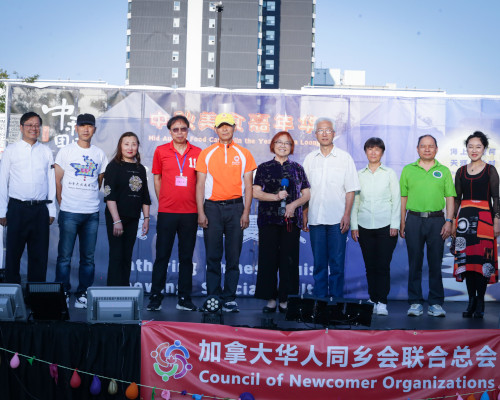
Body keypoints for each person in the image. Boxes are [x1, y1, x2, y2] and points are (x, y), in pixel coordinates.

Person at [195, 113, 257, 312]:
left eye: (228, 126)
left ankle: (229, 298)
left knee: (233, 257)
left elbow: (249, 186)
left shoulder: (244, 153)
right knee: (213, 256)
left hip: (236, 208)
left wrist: (246, 212)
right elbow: (200, 185)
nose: (224, 129)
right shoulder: (207, 153)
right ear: (215, 129)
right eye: (221, 126)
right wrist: (200, 212)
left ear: (234, 128)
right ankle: (213, 297)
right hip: (212, 208)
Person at [147, 116, 201, 312]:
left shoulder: (198, 152)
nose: (179, 132)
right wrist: (163, 201)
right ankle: (155, 297)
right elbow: (157, 179)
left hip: (190, 212)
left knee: (186, 258)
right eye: (175, 129)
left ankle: (184, 298)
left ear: (188, 130)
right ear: (169, 131)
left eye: (183, 129)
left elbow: (201, 182)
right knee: (162, 256)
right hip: (167, 212)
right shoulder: (161, 151)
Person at [54, 113, 108, 308]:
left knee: (88, 258)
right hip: (69, 211)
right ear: (76, 128)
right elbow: (57, 180)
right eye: (82, 125)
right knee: (64, 257)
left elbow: (99, 181)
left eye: (89, 126)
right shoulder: (66, 151)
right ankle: (63, 291)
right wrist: (63, 202)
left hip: (91, 213)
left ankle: (83, 293)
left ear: (94, 129)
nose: (86, 129)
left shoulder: (99, 154)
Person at [253, 131, 310, 313]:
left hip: (290, 221)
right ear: (273, 145)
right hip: (268, 219)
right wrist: (276, 197)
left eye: (287, 143)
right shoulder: (263, 167)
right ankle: (270, 299)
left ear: (291, 147)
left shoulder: (297, 168)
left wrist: (293, 205)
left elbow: (307, 194)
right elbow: (255, 192)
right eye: (279, 142)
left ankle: (285, 299)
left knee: (289, 260)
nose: (283, 146)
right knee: (268, 259)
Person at [303, 118, 360, 298]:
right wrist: (304, 213)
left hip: (337, 220)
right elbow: (305, 190)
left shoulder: (345, 158)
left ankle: (335, 302)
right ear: (315, 134)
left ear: (334, 133)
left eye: (328, 130)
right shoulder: (310, 159)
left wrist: (347, 215)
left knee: (336, 264)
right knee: (319, 264)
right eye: (321, 130)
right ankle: (319, 301)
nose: (325, 133)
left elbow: (350, 190)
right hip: (316, 219)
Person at [400, 134, 456, 317]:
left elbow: (450, 198)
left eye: (430, 146)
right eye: (423, 146)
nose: (427, 149)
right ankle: (415, 302)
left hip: (437, 221)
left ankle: (436, 303)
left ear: (436, 149)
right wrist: (402, 221)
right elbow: (403, 198)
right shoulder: (408, 170)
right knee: (414, 262)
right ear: (417, 149)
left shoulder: (444, 170)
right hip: (414, 220)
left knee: (435, 262)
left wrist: (449, 221)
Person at [0, 112, 56, 283]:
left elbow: (51, 181)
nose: (33, 128)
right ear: (21, 127)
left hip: (40, 210)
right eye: (29, 125)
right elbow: (2, 181)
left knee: (39, 256)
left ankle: (36, 296)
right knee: (13, 255)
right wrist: (2, 211)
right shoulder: (11, 151)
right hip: (17, 209)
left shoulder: (46, 151)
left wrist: (51, 210)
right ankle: (13, 294)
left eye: (37, 125)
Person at [350, 137, 400, 316]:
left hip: (386, 225)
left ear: (382, 153)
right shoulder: (359, 174)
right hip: (364, 225)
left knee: (382, 265)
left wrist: (395, 224)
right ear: (365, 152)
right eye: (370, 149)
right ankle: (373, 298)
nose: (373, 152)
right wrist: (354, 226)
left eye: (377, 149)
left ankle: (382, 301)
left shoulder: (389, 173)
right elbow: (355, 202)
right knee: (370, 265)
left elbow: (396, 200)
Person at [452, 131, 499, 318]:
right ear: (466, 148)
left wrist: (497, 220)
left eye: (478, 146)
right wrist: (453, 221)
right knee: (467, 262)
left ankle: (480, 302)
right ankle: (471, 301)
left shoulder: (490, 170)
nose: (474, 150)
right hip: (464, 222)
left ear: (484, 149)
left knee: (482, 262)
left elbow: (496, 198)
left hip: (485, 221)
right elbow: (456, 199)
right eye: (470, 146)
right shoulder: (461, 171)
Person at [103, 132, 151, 287]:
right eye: (126, 144)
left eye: (134, 144)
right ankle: (112, 294)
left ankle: (124, 292)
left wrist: (146, 219)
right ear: (120, 146)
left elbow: (145, 196)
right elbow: (110, 196)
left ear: (137, 147)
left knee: (127, 256)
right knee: (116, 256)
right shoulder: (113, 167)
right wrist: (116, 221)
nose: (130, 148)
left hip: (133, 218)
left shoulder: (140, 169)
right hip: (116, 218)